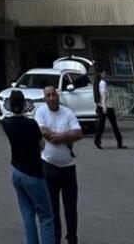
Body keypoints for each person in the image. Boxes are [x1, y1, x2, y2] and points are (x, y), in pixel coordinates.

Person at [2, 90, 56, 244]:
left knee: (27, 213)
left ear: (10, 105)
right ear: (25, 104)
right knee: (46, 215)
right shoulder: (31, 124)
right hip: (33, 171)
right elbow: (41, 145)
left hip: (16, 170)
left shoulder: (7, 124)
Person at [34, 83, 81, 244]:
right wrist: (66, 136)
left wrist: (60, 137)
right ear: (44, 98)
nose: (52, 98)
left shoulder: (67, 112)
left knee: (71, 207)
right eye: (48, 95)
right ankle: (56, 239)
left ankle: (72, 237)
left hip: (68, 167)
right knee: (52, 207)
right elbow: (42, 131)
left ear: (58, 95)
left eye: (54, 94)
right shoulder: (41, 112)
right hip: (49, 166)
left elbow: (78, 133)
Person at [93, 70, 123, 150]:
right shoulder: (102, 83)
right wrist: (105, 106)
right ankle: (119, 142)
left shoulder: (98, 82)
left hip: (101, 106)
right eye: (105, 73)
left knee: (101, 125)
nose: (106, 74)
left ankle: (97, 140)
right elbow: (104, 95)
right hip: (107, 106)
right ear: (101, 73)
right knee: (113, 125)